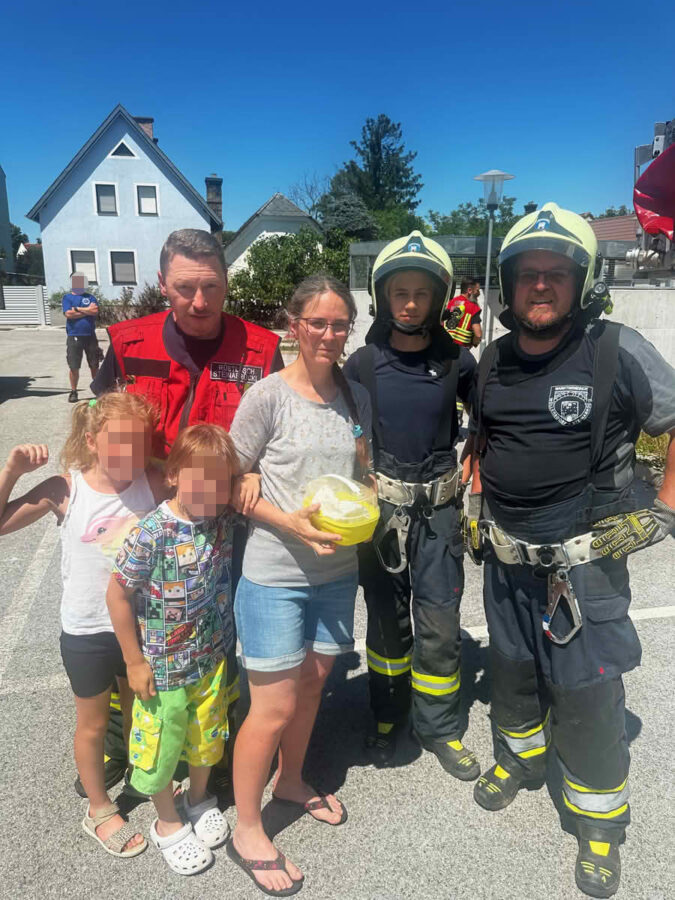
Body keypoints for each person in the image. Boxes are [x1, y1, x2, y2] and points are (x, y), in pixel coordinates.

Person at [466, 203, 675, 898]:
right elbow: (483, 440)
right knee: (512, 675)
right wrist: (472, 504)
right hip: (504, 564)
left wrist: (665, 512)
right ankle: (520, 759)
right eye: (527, 274)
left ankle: (597, 822)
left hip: (582, 570)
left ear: (579, 282)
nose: (540, 286)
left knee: (586, 697)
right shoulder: (490, 358)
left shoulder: (614, 350)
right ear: (507, 282)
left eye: (555, 274)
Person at [92, 228, 283, 797]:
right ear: (162, 285)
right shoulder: (128, 343)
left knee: (213, 625)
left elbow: (274, 427)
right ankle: (120, 739)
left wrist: (250, 473)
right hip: (144, 509)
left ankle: (211, 741)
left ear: (227, 284)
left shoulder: (262, 348)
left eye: (211, 287)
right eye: (184, 288)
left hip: (221, 519)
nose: (199, 302)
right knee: (125, 624)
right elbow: (99, 424)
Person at [225, 275, 372, 896]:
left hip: (337, 575)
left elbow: (361, 470)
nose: (330, 335)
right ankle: (248, 827)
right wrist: (284, 517)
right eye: (318, 323)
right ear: (294, 325)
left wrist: (366, 498)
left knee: (312, 687)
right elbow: (228, 482)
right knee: (274, 704)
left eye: (340, 324)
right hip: (275, 574)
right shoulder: (266, 398)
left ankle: (290, 781)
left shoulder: (355, 397)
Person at [0, 391, 166, 858]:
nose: (131, 455)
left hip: (141, 629)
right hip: (87, 630)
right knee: (93, 725)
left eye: (140, 443)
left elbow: (207, 491)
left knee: (141, 713)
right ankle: (98, 808)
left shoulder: (152, 480)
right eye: (120, 444)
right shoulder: (65, 489)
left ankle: (143, 775)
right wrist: (12, 470)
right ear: (92, 440)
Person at [342, 231, 480, 779]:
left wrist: (473, 466)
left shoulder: (458, 362)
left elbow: (490, 421)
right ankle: (387, 715)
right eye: (399, 291)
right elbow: (345, 426)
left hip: (440, 515)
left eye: (421, 294)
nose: (409, 303)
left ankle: (440, 726)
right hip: (383, 518)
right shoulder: (362, 365)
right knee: (385, 625)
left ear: (438, 299)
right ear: (383, 296)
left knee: (440, 624)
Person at [107, 424, 240, 875]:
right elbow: (117, 594)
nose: (210, 490)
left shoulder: (220, 518)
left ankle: (198, 797)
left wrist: (245, 481)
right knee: (160, 747)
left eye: (220, 482)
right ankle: (167, 821)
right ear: (174, 475)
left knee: (206, 739)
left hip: (209, 661)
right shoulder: (153, 532)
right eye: (200, 479)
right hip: (161, 671)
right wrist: (133, 660)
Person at [63, 272, 101, 403]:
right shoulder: (67, 298)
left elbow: (95, 311)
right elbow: (68, 314)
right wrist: (86, 311)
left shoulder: (90, 297)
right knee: (74, 366)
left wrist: (77, 309)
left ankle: (98, 391)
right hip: (74, 336)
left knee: (94, 365)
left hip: (90, 336)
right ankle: (74, 392)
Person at [442, 277, 482, 348]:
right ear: (469, 290)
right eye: (477, 290)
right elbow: (478, 334)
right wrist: (475, 343)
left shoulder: (452, 302)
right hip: (461, 350)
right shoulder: (473, 307)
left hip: (445, 346)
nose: (479, 294)